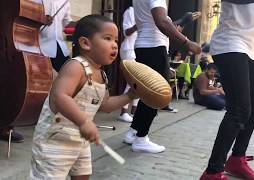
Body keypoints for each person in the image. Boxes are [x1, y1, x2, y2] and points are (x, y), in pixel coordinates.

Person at [30, 15, 138, 179]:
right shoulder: (75, 66)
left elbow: (105, 104)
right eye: (107, 38)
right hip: (55, 141)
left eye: (116, 40)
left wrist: (130, 95)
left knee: (83, 175)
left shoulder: (102, 74)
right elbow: (60, 96)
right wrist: (84, 121)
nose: (114, 44)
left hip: (80, 140)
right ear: (85, 43)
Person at [200, 1, 254, 180]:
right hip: (229, 44)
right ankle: (213, 172)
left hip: (247, 49)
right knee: (239, 110)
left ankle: (237, 160)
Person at [122, 0, 201, 153]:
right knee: (156, 94)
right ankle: (141, 138)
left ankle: (133, 132)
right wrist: (187, 42)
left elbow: (159, 23)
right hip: (153, 48)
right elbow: (162, 22)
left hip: (146, 46)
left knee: (147, 94)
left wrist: (185, 19)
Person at [118, 1, 140, 123]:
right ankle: (123, 111)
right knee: (132, 80)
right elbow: (126, 32)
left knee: (139, 80)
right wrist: (137, 26)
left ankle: (134, 110)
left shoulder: (146, 12)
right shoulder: (130, 11)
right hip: (129, 49)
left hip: (139, 49)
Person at [40, 0, 72, 72]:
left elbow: (66, 23)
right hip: (38, 46)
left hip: (59, 46)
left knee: (70, 72)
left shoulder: (65, 2)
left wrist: (83, 23)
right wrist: (40, 18)